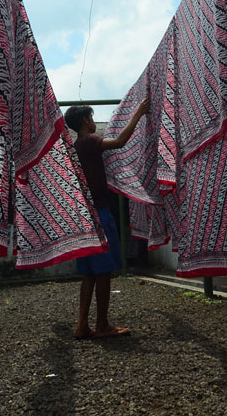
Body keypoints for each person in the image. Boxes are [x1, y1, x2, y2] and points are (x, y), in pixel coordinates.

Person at [64, 98, 150, 340]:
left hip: (86, 216)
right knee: (103, 272)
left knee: (90, 273)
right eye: (91, 118)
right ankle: (102, 325)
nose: (93, 122)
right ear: (85, 120)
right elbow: (120, 142)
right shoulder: (90, 140)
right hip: (100, 214)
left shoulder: (77, 145)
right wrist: (139, 113)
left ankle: (82, 325)